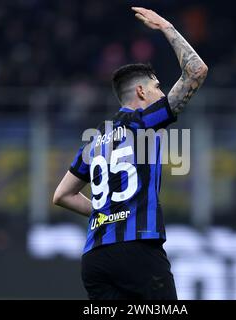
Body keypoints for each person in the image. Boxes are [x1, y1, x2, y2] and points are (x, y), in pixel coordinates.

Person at [53, 7, 208, 300]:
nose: (162, 94)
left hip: (95, 258)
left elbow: (62, 195)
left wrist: (107, 214)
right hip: (137, 252)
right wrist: (166, 26)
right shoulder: (143, 122)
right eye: (157, 87)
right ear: (141, 93)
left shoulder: (94, 140)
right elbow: (196, 71)